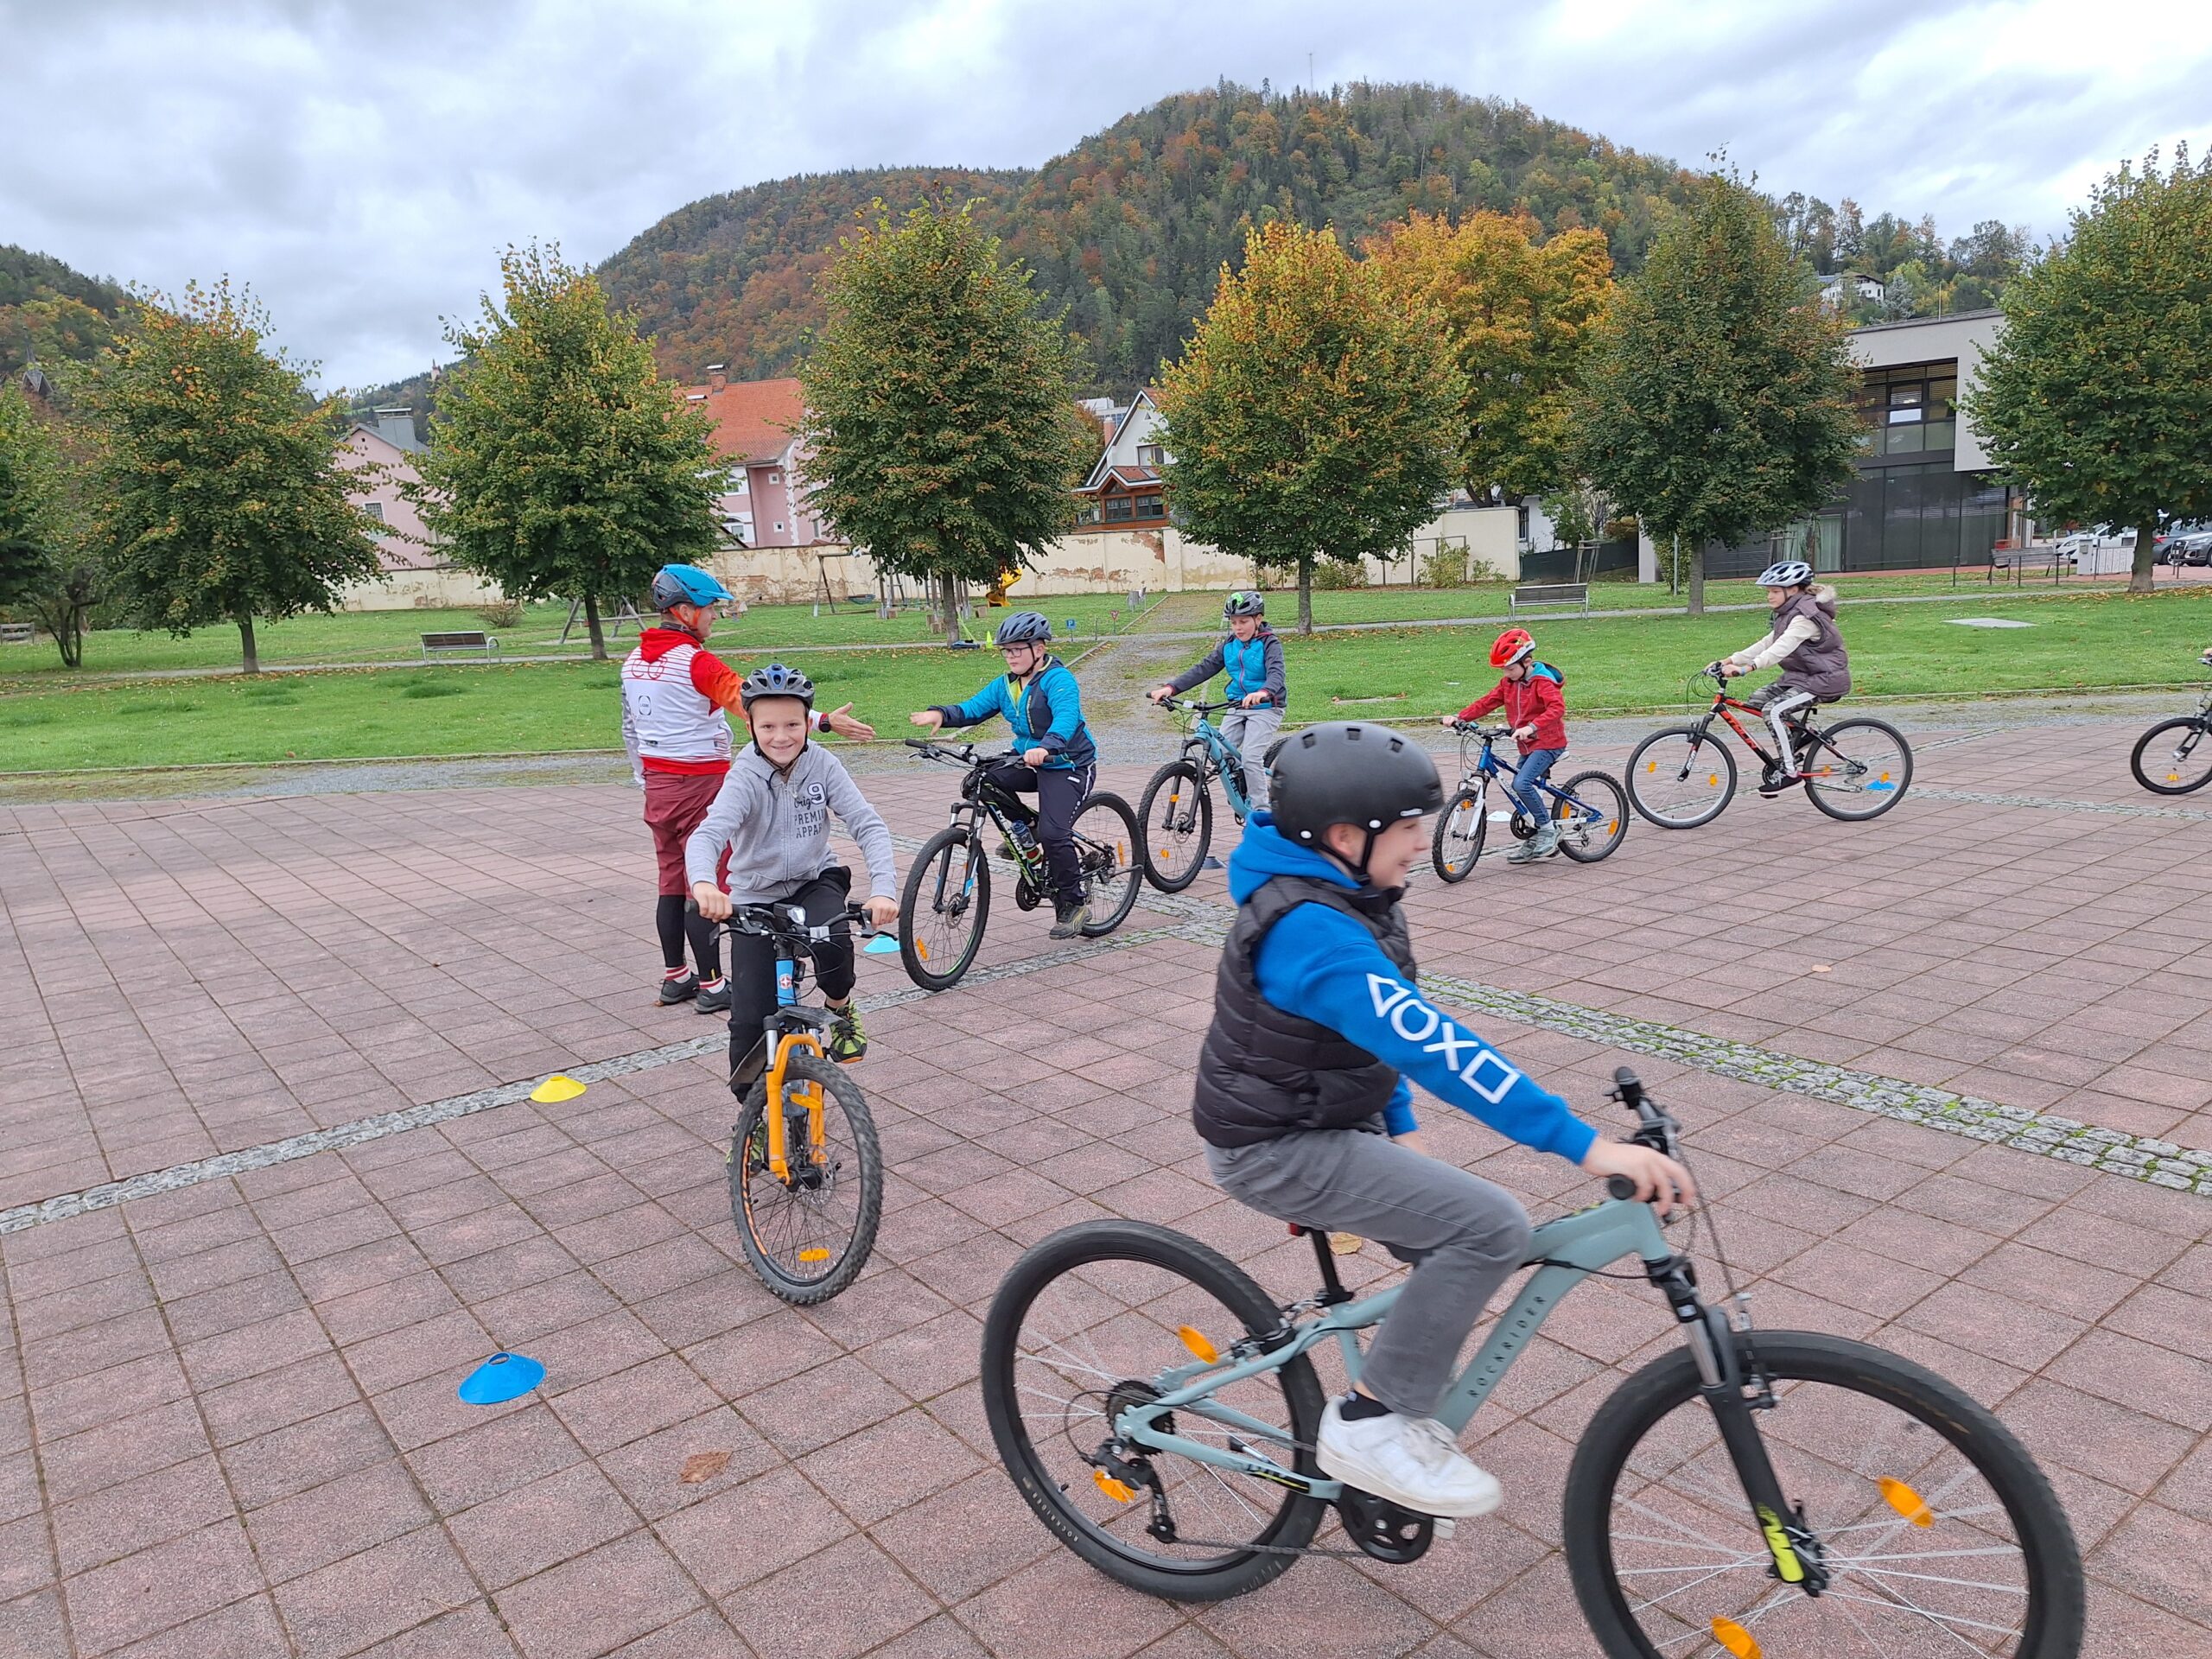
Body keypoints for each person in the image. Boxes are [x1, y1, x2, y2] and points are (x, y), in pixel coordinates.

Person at [1192, 722, 1693, 1517]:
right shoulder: (1309, 930)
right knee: (1491, 1225)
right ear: (1346, 836)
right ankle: (1372, 1421)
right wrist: (1588, 1148)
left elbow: (1379, 1027)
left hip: (1322, 1116)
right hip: (1273, 1145)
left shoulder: (1352, 890)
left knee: (1455, 1235)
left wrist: (1398, 1122)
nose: (1423, 844)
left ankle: (1387, 1395)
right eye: (1412, 828)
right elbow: (1439, 1048)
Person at [622, 563, 874, 1013]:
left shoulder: (633, 662)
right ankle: (713, 985)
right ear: (683, 612)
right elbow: (749, 702)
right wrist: (822, 721)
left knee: (672, 879)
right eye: (708, 609)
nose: (713, 617)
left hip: (657, 783)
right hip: (701, 782)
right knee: (714, 883)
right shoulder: (695, 661)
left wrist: (644, 777)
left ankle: (675, 976)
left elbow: (629, 727)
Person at [686, 664, 900, 1077]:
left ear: (809, 723)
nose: (780, 737)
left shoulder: (823, 765)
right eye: (767, 726)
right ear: (749, 725)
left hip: (812, 881)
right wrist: (704, 883)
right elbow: (709, 834)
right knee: (748, 1021)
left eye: (791, 724)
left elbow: (867, 824)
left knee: (833, 941)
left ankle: (840, 1008)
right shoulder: (743, 776)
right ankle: (750, 1120)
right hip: (754, 894)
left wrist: (884, 890)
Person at [910, 611, 1099, 941]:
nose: (1010, 656)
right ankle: (1027, 831)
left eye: (1017, 649)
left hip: (1067, 763)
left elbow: (1066, 719)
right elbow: (973, 708)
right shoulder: (1006, 685)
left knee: (1056, 835)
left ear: (1038, 649)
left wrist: (1048, 747)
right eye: (1006, 650)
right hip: (1030, 762)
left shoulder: (1059, 680)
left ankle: (1074, 902)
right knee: (981, 781)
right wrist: (940, 713)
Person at [1714, 560, 1849, 797]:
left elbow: (1780, 649)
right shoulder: (1787, 614)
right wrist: (1729, 660)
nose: (1769, 596)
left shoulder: (1806, 617)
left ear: (1794, 590)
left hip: (1823, 680)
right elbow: (1767, 642)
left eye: (1775, 591)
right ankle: (1803, 735)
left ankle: (1790, 772)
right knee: (1756, 700)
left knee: (1773, 711)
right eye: (1768, 591)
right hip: (1800, 677)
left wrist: (1746, 669)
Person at [1149, 590, 1286, 813]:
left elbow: (1276, 675)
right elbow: (1204, 668)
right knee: (1222, 756)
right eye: (1233, 623)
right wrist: (1170, 687)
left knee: (1251, 758)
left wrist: (1263, 692)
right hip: (1236, 706)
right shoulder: (1230, 645)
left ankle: (1260, 814)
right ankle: (1244, 786)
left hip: (1266, 707)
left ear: (1258, 619)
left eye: (1243, 621)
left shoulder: (1269, 644)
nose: (1238, 627)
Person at [1444, 627, 1567, 864]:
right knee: (1521, 793)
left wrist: (1531, 727)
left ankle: (1548, 829)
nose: (1507, 673)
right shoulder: (1509, 683)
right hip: (1527, 745)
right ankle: (1533, 838)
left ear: (1527, 662)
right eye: (1504, 670)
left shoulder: (1542, 682)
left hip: (1548, 743)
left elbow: (1556, 708)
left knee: (1521, 783)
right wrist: (1460, 717)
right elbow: (1487, 702)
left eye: (1510, 668)